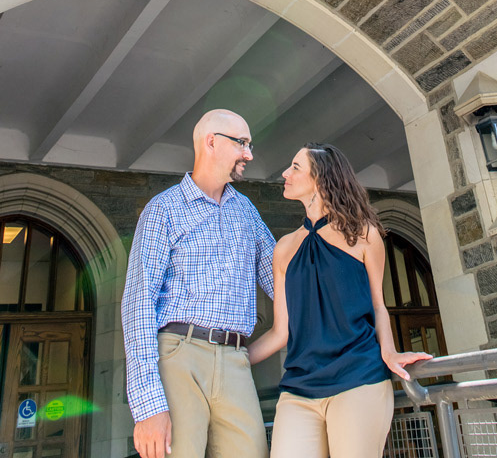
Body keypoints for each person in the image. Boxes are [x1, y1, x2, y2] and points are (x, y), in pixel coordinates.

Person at [247, 143, 431, 458]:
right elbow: (281, 331)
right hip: (298, 388)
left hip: (358, 377)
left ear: (320, 180)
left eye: (295, 167)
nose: (284, 174)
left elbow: (378, 305)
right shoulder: (284, 248)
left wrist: (389, 352)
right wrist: (231, 360)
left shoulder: (364, 234)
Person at [121, 108, 275, 458]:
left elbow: (282, 277)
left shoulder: (247, 211)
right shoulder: (164, 209)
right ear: (211, 142)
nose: (249, 154)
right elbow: (138, 304)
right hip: (178, 354)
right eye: (242, 143)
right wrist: (148, 407)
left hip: (237, 359)